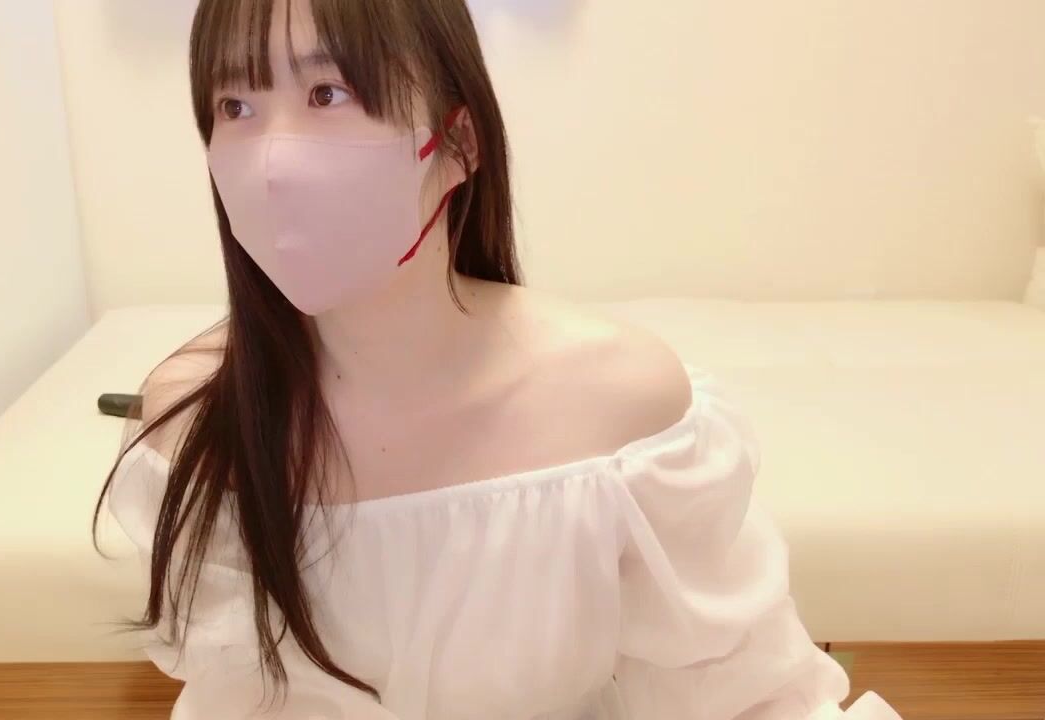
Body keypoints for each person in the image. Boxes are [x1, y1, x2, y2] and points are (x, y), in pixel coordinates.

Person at [96, 1, 903, 717]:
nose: (274, 158)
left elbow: (746, 696)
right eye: (236, 106)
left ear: (458, 143)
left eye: (328, 93)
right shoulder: (189, 421)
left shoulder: (622, 414)